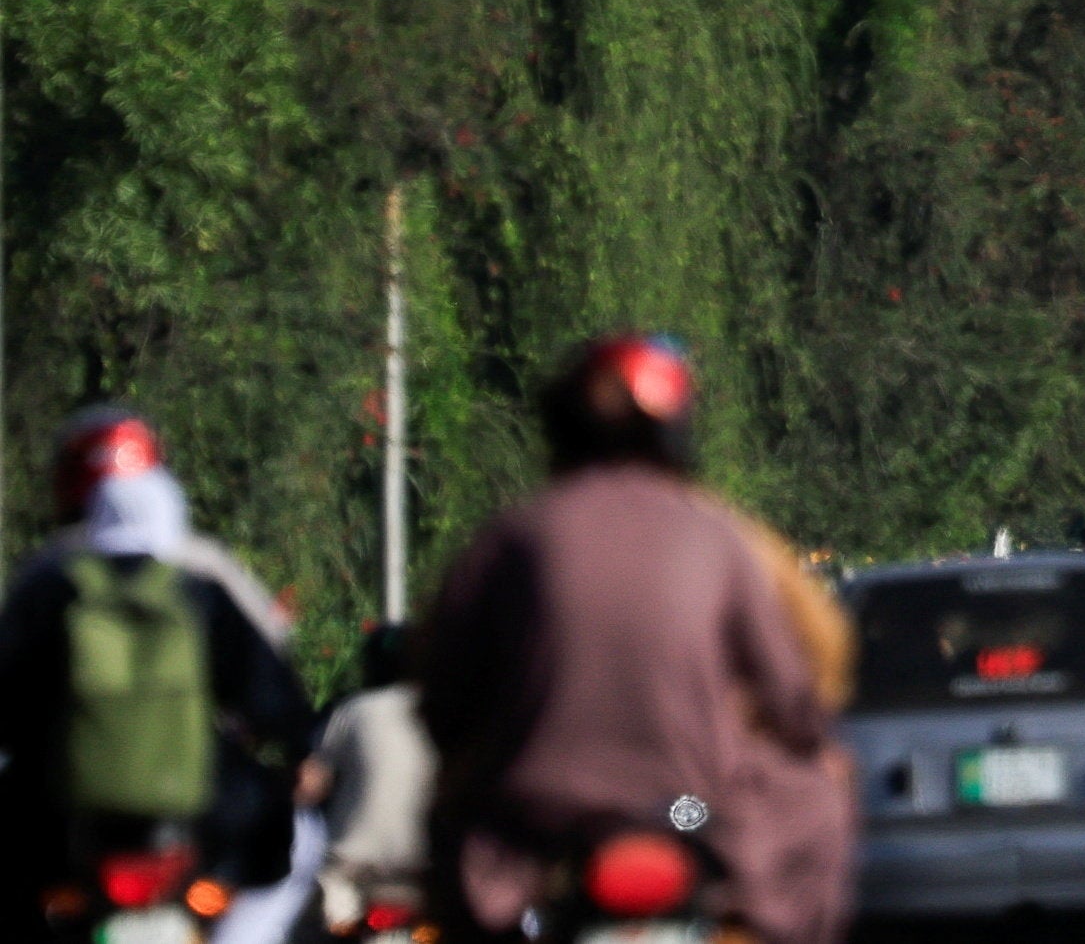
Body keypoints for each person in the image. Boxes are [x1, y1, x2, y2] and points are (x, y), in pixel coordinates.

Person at [418, 336, 854, 944]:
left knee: (452, 827)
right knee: (819, 793)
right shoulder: (719, 538)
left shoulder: (511, 538)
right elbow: (795, 703)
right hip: (686, 812)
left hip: (541, 822)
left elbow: (442, 698)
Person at [0, 409, 315, 944]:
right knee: (301, 844)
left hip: (58, 810)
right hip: (203, 807)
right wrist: (301, 750)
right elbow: (272, 695)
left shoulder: (46, 577)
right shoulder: (202, 573)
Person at [291, 624, 433, 938]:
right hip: (424, 867)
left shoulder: (352, 710)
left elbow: (310, 785)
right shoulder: (448, 713)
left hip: (349, 865)